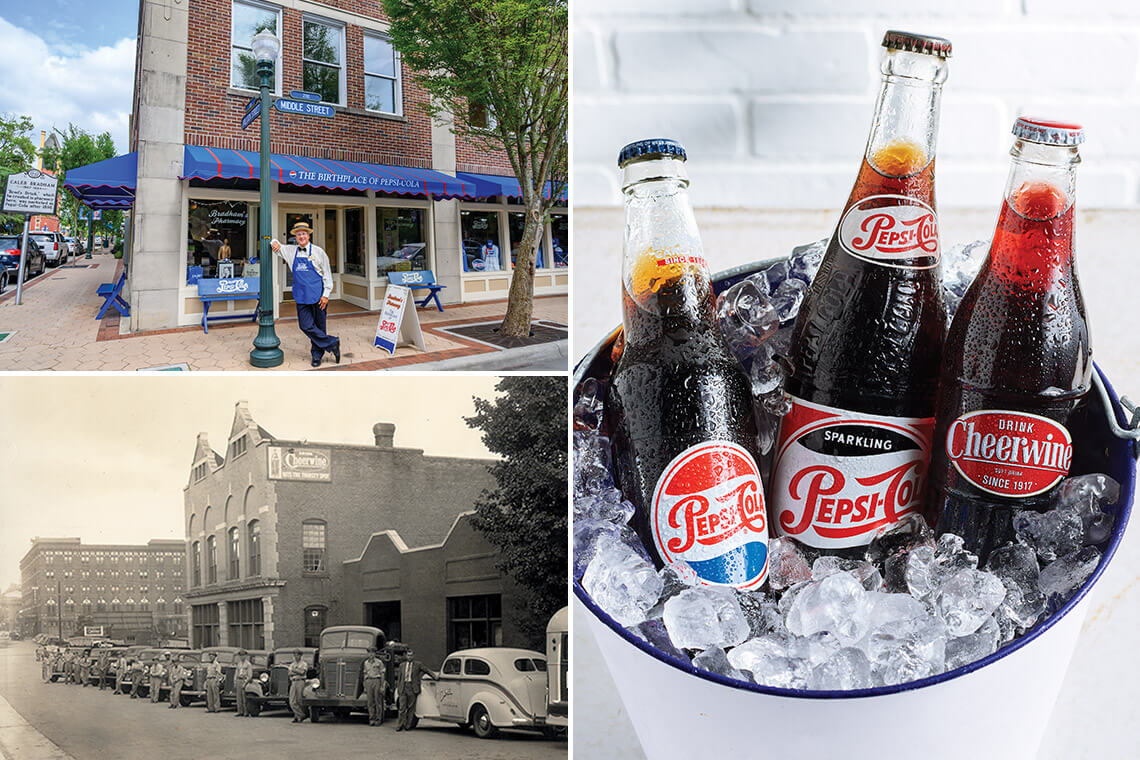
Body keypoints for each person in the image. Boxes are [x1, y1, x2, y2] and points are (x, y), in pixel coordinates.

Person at [269, 223, 340, 367]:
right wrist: (273, 242)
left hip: (318, 295)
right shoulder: (290, 251)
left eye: (304, 234)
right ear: (295, 237)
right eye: (298, 234)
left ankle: (316, 356)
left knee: (319, 325)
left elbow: (327, 274)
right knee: (305, 325)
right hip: (301, 295)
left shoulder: (319, 252)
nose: (301, 236)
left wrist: (326, 294)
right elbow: (275, 244)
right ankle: (332, 343)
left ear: (308, 235)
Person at [395, 650, 435, 732]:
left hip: (412, 688)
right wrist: (399, 688)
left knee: (411, 708)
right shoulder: (402, 665)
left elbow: (426, 670)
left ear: (413, 656)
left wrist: (434, 677)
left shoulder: (418, 664)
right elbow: (399, 678)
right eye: (408, 655)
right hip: (403, 687)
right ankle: (400, 725)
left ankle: (408, 725)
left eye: (411, 655)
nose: (409, 657)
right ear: (406, 656)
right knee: (402, 708)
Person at [362, 647, 386, 726]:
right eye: (369, 653)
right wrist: (365, 686)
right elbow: (365, 674)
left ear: (375, 654)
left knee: (377, 701)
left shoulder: (379, 662)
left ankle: (378, 719)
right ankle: (371, 718)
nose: (371, 654)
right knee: (370, 702)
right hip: (369, 681)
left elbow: (382, 674)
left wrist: (382, 685)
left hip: (377, 680)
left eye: (372, 653)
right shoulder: (366, 663)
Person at [287, 649, 308, 723]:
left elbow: (302, 672)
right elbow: (289, 673)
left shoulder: (304, 664)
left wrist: (294, 670)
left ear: (300, 655)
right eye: (295, 655)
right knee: (292, 701)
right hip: (293, 681)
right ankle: (301, 715)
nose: (296, 656)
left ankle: (297, 716)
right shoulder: (292, 664)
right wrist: (297, 671)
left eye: (297, 655)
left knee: (299, 700)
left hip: (300, 681)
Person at [234, 649, 253, 717]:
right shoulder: (239, 664)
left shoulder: (248, 664)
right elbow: (236, 673)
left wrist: (245, 683)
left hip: (244, 680)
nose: (242, 657)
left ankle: (246, 712)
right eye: (240, 655)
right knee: (239, 697)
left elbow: (250, 675)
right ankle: (240, 711)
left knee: (244, 697)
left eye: (243, 655)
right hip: (239, 680)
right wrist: (235, 681)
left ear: (246, 656)